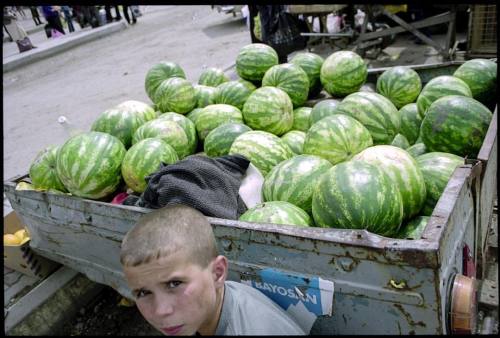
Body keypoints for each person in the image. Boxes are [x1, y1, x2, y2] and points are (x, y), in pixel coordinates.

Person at [120, 204, 306, 335]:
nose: (161, 310)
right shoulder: (207, 310)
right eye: (143, 292)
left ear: (217, 273)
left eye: (174, 283)